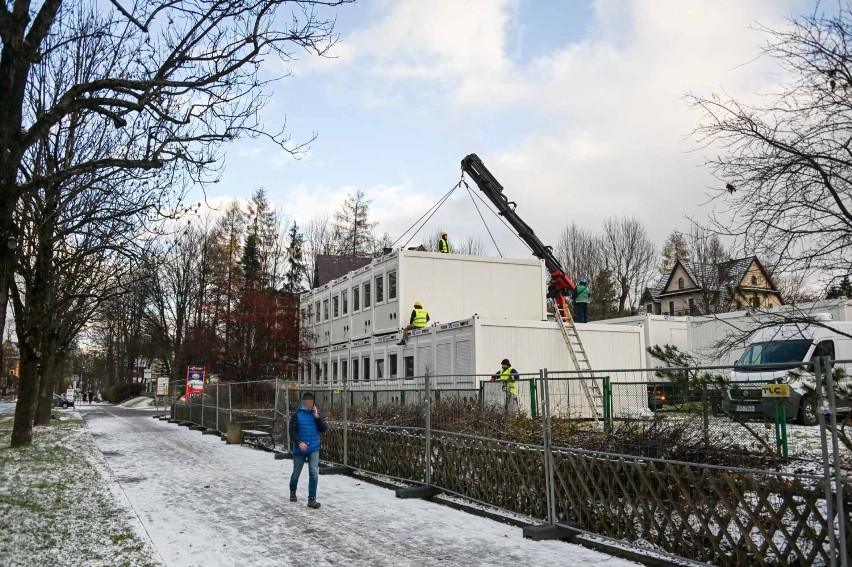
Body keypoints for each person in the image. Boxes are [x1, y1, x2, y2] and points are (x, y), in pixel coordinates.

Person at [289, 392, 328, 509]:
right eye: (307, 402)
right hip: (299, 449)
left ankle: (312, 500)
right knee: (296, 473)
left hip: (313, 449)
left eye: (311, 403)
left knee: (313, 473)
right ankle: (292, 491)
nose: (309, 405)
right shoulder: (296, 415)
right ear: (303, 402)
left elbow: (324, 428)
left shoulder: (316, 414)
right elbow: (292, 431)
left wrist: (317, 416)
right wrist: (299, 442)